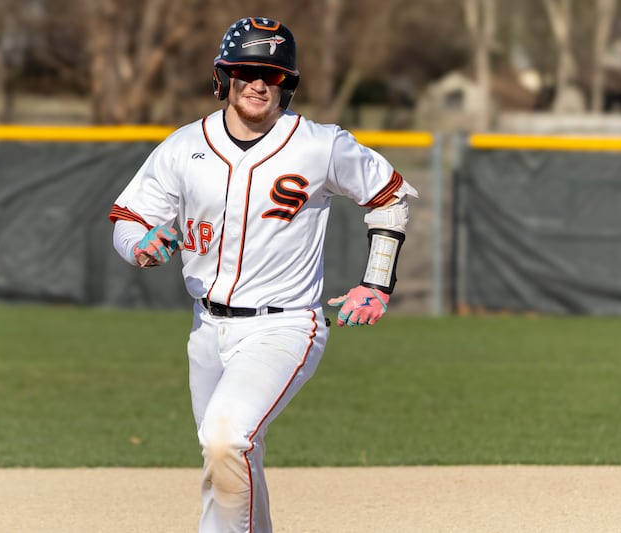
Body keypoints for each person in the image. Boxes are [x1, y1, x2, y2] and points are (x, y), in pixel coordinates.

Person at [109, 16, 418, 533]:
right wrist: (137, 246)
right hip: (207, 327)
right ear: (223, 76)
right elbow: (129, 217)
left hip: (285, 325)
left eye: (273, 74)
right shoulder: (185, 145)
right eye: (247, 70)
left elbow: (391, 197)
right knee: (223, 457)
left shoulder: (320, 144)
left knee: (227, 438)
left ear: (287, 83)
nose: (259, 83)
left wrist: (377, 281)